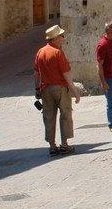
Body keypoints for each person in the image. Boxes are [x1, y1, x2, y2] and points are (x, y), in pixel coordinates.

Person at [34, 23, 83, 155]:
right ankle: (64, 144)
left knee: (48, 117)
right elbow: (66, 74)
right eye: (62, 36)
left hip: (45, 89)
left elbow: (36, 73)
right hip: (60, 88)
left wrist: (37, 89)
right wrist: (75, 91)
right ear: (55, 38)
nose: (63, 38)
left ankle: (52, 145)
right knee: (65, 114)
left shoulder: (40, 52)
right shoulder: (57, 53)